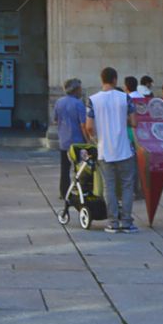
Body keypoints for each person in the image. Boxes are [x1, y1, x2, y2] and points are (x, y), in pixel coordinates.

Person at [86, 66, 138, 234]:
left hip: (104, 149)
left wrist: (95, 138)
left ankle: (113, 222)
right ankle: (127, 221)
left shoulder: (93, 100)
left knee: (109, 187)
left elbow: (89, 126)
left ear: (102, 80)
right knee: (127, 185)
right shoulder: (125, 98)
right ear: (115, 79)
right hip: (124, 148)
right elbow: (134, 122)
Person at [53, 78, 88, 200]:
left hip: (64, 140)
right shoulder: (79, 104)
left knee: (64, 168)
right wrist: (88, 139)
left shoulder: (59, 102)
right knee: (80, 169)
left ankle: (64, 191)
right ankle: (80, 189)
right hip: (78, 140)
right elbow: (83, 124)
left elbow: (56, 119)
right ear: (76, 90)